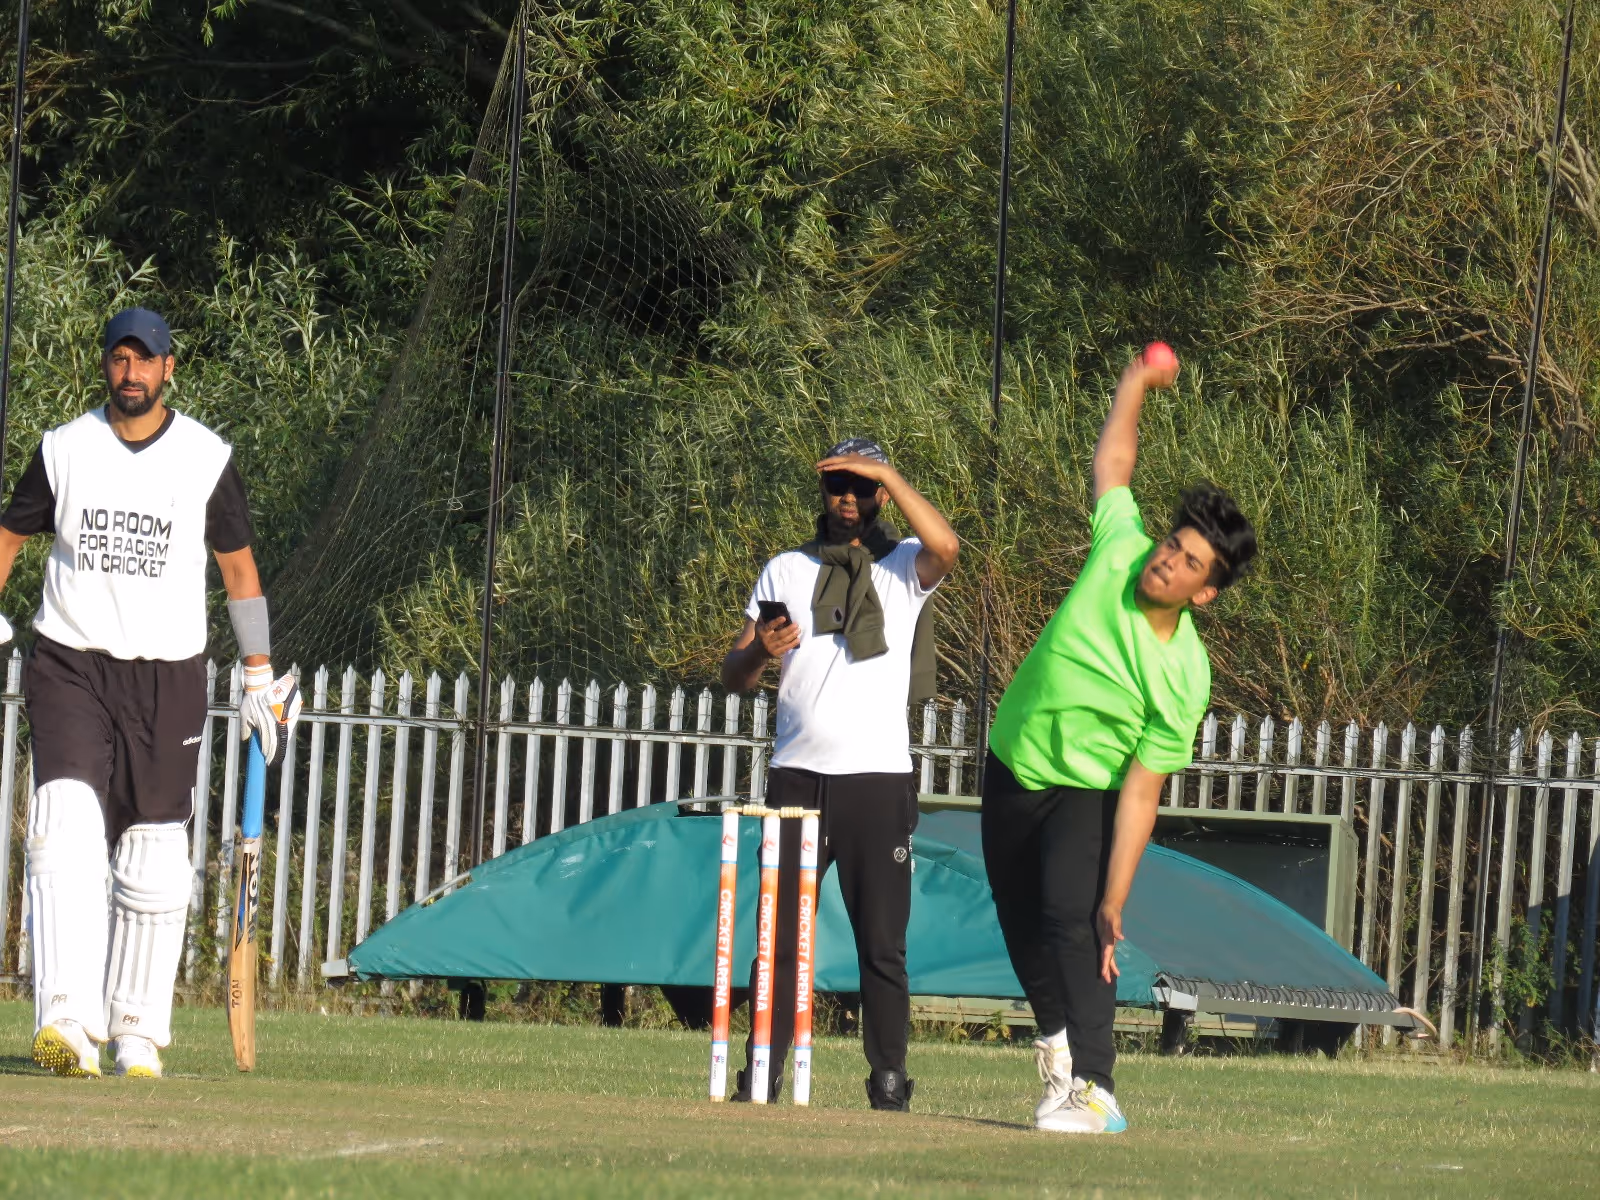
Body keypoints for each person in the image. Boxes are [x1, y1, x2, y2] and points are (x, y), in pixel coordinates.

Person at [0, 307, 296, 1079]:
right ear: (105, 366)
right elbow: (8, 536)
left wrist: (258, 672)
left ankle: (135, 1029)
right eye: (118, 358)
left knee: (156, 855)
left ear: (170, 370)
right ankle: (66, 1019)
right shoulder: (65, 449)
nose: (130, 373)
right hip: (71, 661)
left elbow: (238, 570)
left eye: (145, 360)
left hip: (169, 673)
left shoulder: (204, 458)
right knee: (63, 826)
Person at [982, 347, 1256, 1133]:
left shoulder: (1183, 674)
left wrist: (1116, 895)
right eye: (1173, 544)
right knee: (1016, 918)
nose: (1167, 561)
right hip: (1009, 763)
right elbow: (1114, 460)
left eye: (1188, 564)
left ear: (1206, 592)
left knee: (1076, 920)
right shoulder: (1120, 548)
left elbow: (1142, 789)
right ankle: (1059, 1052)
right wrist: (1135, 381)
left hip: (1084, 792)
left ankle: (1098, 1091)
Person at [720, 437, 958, 1110]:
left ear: (880, 493)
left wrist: (889, 472)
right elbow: (733, 675)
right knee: (782, 942)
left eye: (860, 486)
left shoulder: (905, 566)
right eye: (836, 486)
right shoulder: (785, 570)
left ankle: (888, 1081)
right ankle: (761, 1071)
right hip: (797, 778)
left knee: (882, 943)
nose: (846, 498)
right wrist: (758, 654)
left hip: (877, 781)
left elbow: (949, 546)